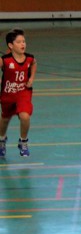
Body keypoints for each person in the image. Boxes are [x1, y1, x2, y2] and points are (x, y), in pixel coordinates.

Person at [0, 28, 37, 158]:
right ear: (11, 45)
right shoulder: (5, 60)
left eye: (24, 41)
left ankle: (23, 141)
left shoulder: (29, 58)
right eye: (19, 42)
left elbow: (34, 63)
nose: (23, 44)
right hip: (7, 94)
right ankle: (1, 140)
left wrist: (31, 78)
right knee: (5, 119)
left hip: (23, 92)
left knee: (25, 116)